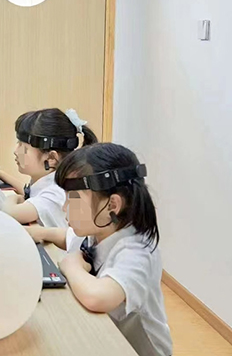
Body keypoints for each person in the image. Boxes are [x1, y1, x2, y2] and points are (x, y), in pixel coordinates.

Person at [26, 143, 172, 356]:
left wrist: (71, 266)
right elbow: (67, 236)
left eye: (73, 199)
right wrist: (39, 232)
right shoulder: (99, 229)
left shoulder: (138, 252)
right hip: (105, 337)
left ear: (112, 205)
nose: (65, 207)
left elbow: (97, 297)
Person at [0, 108, 97, 227]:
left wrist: (14, 198)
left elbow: (10, 213)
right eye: (18, 143)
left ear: (51, 158)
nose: (16, 151)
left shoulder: (56, 192)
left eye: (24, 148)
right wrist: (0, 174)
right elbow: (30, 192)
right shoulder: (51, 180)